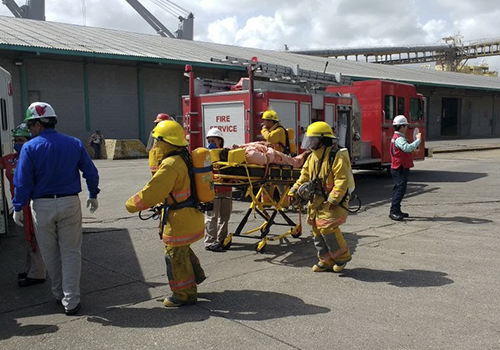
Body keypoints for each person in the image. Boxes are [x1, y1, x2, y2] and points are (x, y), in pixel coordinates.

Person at [12, 102, 100, 316]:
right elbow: (91, 171)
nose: (30, 130)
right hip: (69, 202)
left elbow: (22, 182)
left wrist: (17, 206)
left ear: (39, 125)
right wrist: (92, 194)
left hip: (41, 206)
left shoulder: (30, 148)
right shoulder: (73, 143)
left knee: (50, 253)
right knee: (71, 253)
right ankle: (71, 301)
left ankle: (58, 294)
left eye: (31, 125)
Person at [126, 120, 206, 307]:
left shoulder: (170, 164)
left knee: (175, 255)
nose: (154, 145)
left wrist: (131, 205)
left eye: (156, 141)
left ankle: (184, 294)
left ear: (165, 142)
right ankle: (197, 275)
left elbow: (152, 192)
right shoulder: (184, 157)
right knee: (183, 250)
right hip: (191, 215)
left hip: (179, 220)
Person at [288, 121, 352, 273]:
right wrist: (293, 191)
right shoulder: (311, 157)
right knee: (316, 230)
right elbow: (303, 178)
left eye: (313, 140)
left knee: (328, 228)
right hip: (316, 201)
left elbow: (341, 180)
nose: (309, 143)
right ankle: (326, 260)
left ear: (323, 140)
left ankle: (342, 257)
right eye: (308, 139)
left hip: (331, 202)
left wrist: (334, 199)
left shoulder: (337, 156)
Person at [0, 123, 46, 287]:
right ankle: (31, 270)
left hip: (32, 204)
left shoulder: (36, 159)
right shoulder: (9, 159)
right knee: (25, 241)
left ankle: (38, 273)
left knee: (32, 240)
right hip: (18, 205)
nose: (16, 143)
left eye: (20, 140)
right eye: (15, 140)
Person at [389, 115, 422, 221]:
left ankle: (397, 210)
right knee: (399, 189)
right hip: (400, 167)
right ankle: (394, 211)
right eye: (406, 126)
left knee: (399, 189)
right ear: (402, 126)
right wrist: (418, 140)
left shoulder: (398, 138)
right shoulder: (399, 139)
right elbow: (407, 148)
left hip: (399, 166)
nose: (407, 128)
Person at [204, 128, 232, 252]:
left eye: (213, 141)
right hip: (213, 190)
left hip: (226, 189)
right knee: (211, 217)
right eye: (209, 141)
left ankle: (221, 239)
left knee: (225, 216)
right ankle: (210, 241)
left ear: (220, 141)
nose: (211, 143)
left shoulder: (227, 154)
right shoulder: (205, 156)